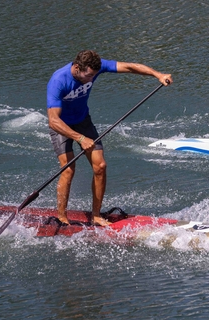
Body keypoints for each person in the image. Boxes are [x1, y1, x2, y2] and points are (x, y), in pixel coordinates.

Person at [46, 50, 172, 226]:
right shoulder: (59, 80)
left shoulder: (96, 67)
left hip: (83, 121)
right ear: (77, 67)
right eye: (88, 76)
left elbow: (129, 67)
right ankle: (61, 217)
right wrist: (80, 139)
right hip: (62, 125)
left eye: (94, 75)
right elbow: (53, 121)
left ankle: (96, 216)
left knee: (100, 166)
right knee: (68, 169)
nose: (91, 79)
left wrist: (157, 75)